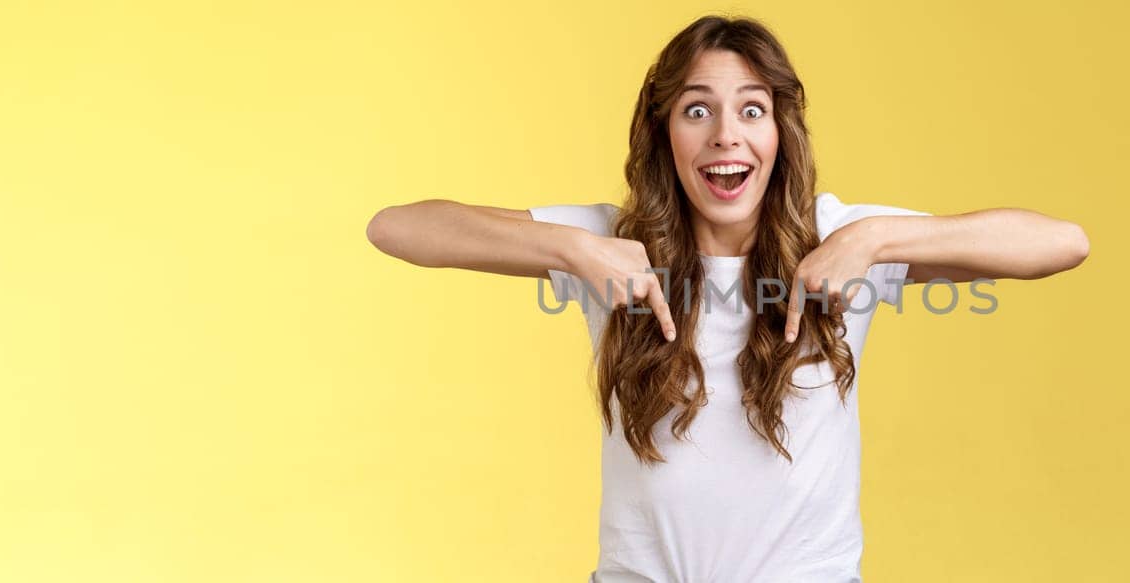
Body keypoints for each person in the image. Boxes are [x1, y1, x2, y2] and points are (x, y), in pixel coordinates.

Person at [365, 14, 1089, 583]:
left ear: (780, 131)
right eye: (696, 110)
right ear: (663, 132)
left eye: (751, 110)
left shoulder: (837, 238)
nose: (725, 137)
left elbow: (1061, 242)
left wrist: (876, 238)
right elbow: (397, 228)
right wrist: (570, 247)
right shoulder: (611, 244)